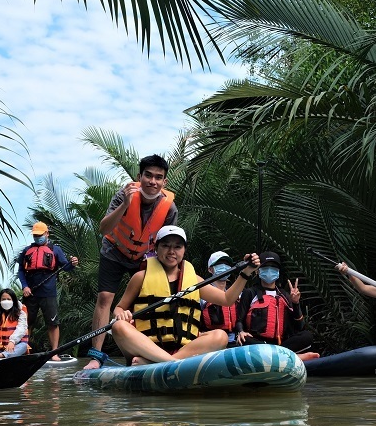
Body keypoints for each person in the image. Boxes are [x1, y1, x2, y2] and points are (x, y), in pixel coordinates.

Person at [109, 226, 260, 365]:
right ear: (156, 248)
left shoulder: (194, 280)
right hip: (146, 346)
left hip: (183, 350)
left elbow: (227, 300)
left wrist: (245, 273)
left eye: (177, 247)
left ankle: (158, 363)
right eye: (165, 245)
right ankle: (168, 362)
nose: (171, 251)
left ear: (184, 251)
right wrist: (121, 314)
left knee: (220, 336)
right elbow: (119, 308)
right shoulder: (140, 277)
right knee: (118, 326)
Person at [84, 154, 177, 370]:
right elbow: (104, 229)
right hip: (114, 251)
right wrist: (125, 204)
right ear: (139, 176)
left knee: (147, 300)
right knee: (105, 297)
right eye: (148, 175)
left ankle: (146, 353)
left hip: (144, 257)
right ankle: (96, 356)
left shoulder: (170, 209)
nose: (152, 182)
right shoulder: (123, 195)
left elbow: (168, 244)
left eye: (158, 177)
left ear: (165, 182)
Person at [236, 251, 318, 360]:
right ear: (258, 271)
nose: (270, 270)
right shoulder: (250, 293)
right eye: (266, 267)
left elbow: (299, 326)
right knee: (244, 339)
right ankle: (291, 357)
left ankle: (275, 356)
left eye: (273, 268)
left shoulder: (285, 295)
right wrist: (241, 331)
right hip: (258, 343)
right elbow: (239, 320)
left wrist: (296, 303)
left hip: (281, 344)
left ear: (278, 272)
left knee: (307, 336)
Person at [18, 221, 78, 362]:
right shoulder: (27, 251)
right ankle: (22, 351)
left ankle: (54, 353)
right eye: (35, 235)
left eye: (39, 235)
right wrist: (24, 286)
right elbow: (21, 271)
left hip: (48, 293)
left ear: (46, 234)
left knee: (52, 322)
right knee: (26, 323)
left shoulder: (55, 249)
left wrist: (73, 263)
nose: (37, 237)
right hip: (30, 292)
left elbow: (66, 267)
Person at [199, 251, 241, 346]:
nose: (224, 267)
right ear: (210, 269)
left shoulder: (237, 293)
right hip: (211, 341)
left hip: (234, 340)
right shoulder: (202, 293)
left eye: (227, 264)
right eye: (219, 264)